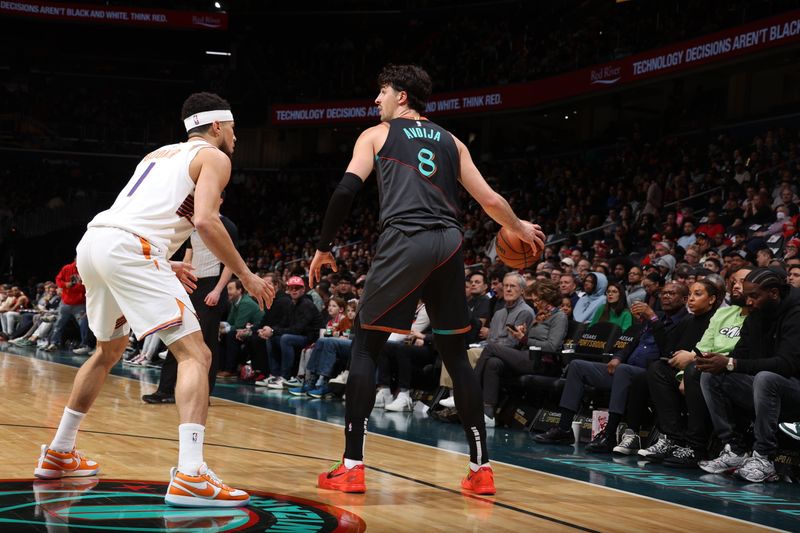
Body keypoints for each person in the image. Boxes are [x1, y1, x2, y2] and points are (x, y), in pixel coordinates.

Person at [308, 64, 544, 496]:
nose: (375, 100)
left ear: (401, 96)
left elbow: (345, 191)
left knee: (365, 343)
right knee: (455, 352)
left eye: (381, 92)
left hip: (407, 238)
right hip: (451, 244)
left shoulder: (376, 135)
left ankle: (352, 465)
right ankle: (481, 469)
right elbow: (490, 200)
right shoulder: (452, 142)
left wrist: (324, 246)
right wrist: (520, 227)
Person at [33, 92, 273, 507]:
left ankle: (58, 452)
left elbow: (147, 212)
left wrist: (161, 259)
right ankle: (193, 475)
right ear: (217, 125)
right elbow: (205, 221)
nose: (235, 136)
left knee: (108, 351)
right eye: (232, 127)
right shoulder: (215, 158)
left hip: (95, 242)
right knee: (196, 354)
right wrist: (248, 276)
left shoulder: (158, 154)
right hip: (131, 249)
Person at [697, 268, 800, 482]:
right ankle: (734, 450)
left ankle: (764, 457)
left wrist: (732, 363)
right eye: (747, 296)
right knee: (712, 375)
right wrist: (719, 361)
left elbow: (787, 364)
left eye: (754, 296)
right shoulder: (756, 314)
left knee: (765, 377)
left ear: (773, 293)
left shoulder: (796, 313)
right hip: (767, 390)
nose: (749, 302)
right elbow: (741, 353)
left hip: (793, 390)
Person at [142, 199, 236, 404]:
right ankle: (166, 389)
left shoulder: (227, 226)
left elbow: (231, 261)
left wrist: (218, 291)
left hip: (212, 286)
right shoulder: (193, 226)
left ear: (219, 199)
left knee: (207, 342)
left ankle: (203, 394)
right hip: (191, 284)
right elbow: (188, 257)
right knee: (178, 336)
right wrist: (178, 284)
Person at [640, 279, 721, 467]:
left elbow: (714, 352)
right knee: (657, 369)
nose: (691, 299)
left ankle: (696, 446)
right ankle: (672, 438)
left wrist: (685, 373)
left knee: (692, 374)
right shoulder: (687, 321)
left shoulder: (716, 320)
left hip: (705, 372)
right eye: (690, 294)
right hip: (684, 372)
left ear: (712, 299)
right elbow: (669, 350)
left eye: (698, 294)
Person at [474, 278, 566, 427]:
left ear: (548, 298)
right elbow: (531, 340)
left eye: (538, 301)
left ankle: (468, 391)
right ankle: (488, 414)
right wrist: (522, 333)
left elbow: (552, 347)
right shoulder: (541, 315)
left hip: (543, 363)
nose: (535, 304)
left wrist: (524, 339)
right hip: (527, 357)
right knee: (493, 363)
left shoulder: (559, 317)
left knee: (490, 348)